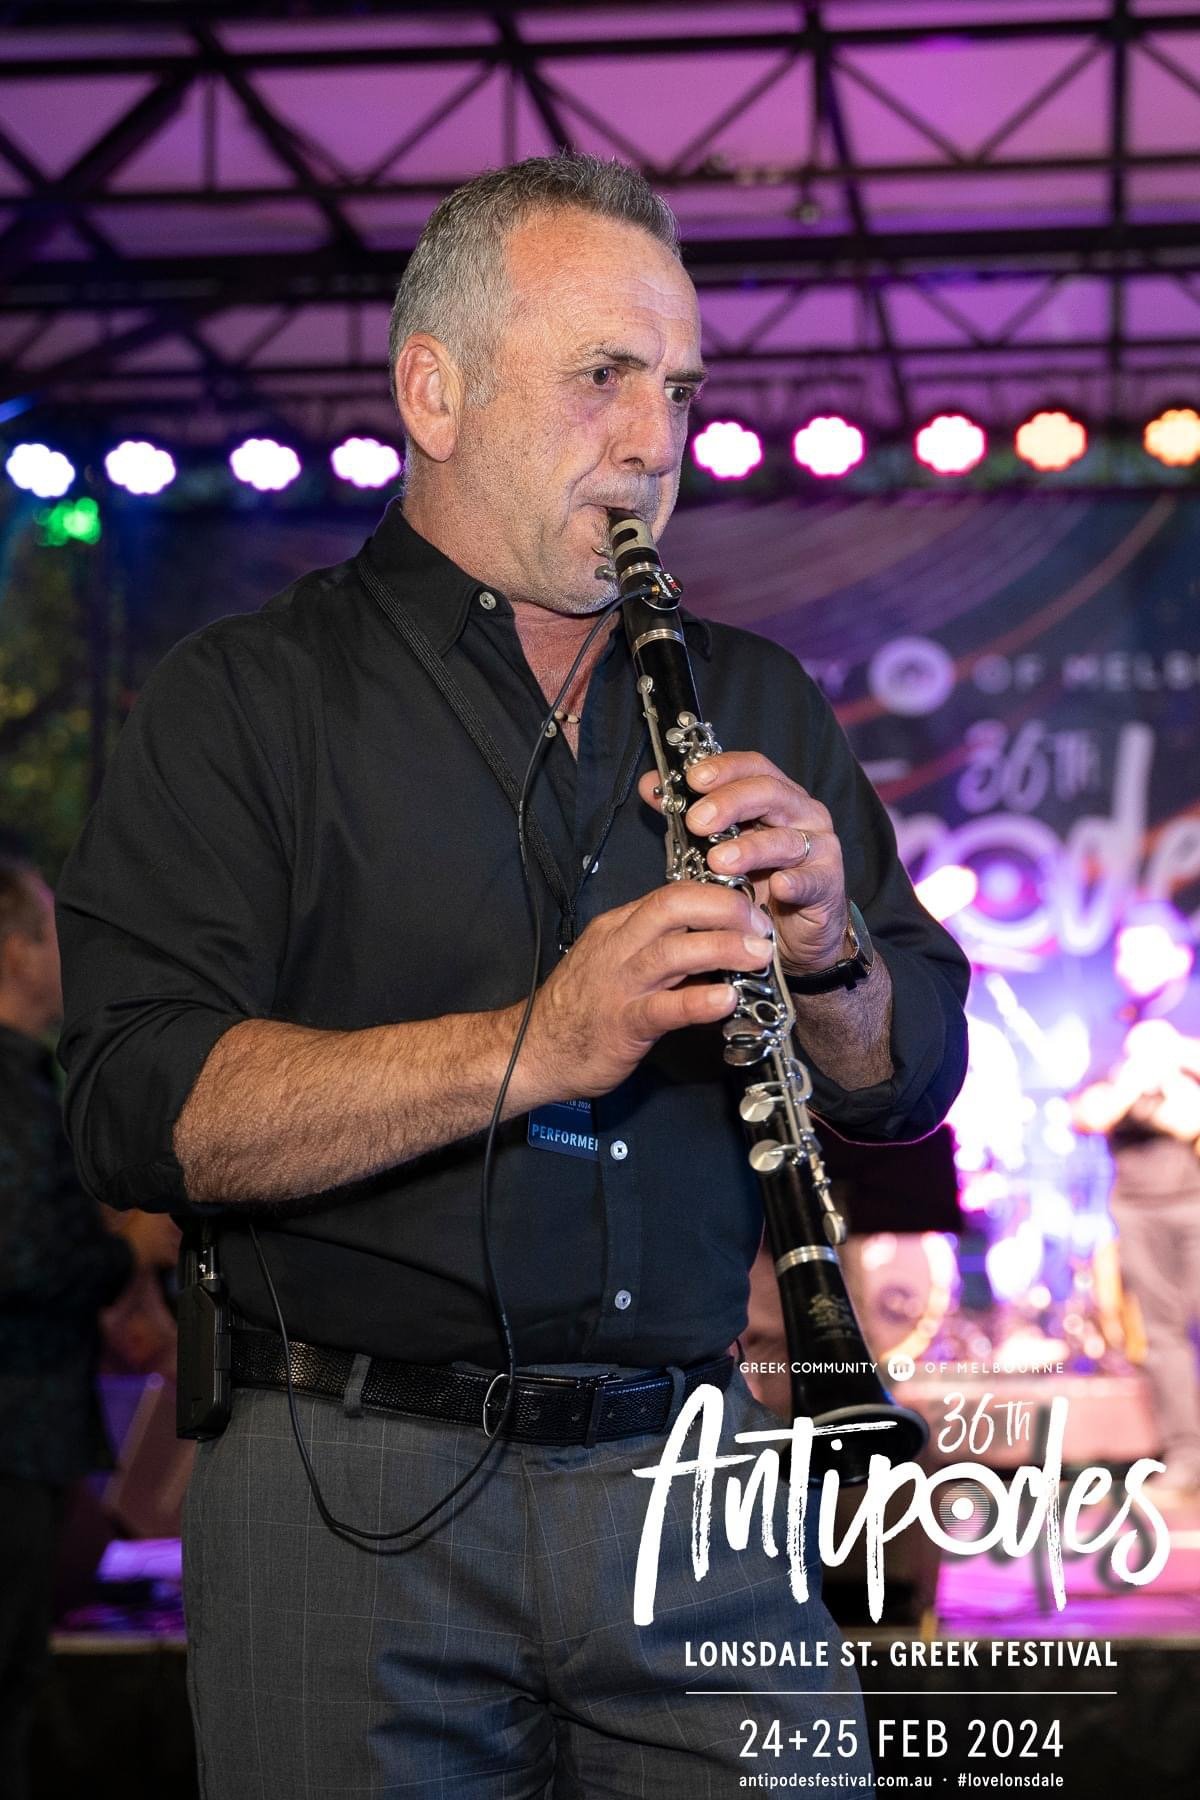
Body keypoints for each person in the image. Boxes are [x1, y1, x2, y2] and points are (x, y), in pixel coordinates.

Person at [57, 154, 968, 1797]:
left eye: (678, 387)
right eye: (603, 377)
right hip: (347, 1479)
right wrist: (535, 1048)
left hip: (694, 1466)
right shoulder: (244, 703)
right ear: (436, 392)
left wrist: (832, 951)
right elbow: (136, 1109)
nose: (655, 438)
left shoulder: (753, 693)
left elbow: (904, 1078)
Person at [0, 857, 143, 1800]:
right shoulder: (8, 1089)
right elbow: (24, 1258)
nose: (66, 954)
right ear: (10, 946)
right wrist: (128, 1253)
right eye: (51, 931)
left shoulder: (26, 1082)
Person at [1072, 1018, 1200, 1501]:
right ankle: (1187, 1459)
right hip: (1138, 1209)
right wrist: (1137, 1077)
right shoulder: (1112, 1049)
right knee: (1163, 1337)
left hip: (1195, 1200)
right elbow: (1090, 1115)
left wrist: (1177, 1060)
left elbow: (1190, 1122)